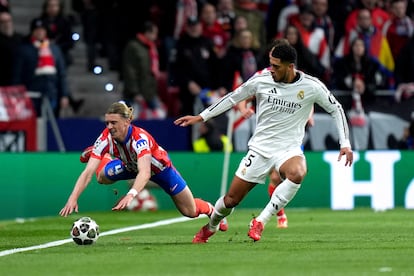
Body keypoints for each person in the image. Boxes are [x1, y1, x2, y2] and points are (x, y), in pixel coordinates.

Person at [174, 40, 353, 243]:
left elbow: (336, 109)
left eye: (276, 66)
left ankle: (260, 221)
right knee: (231, 200)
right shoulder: (262, 79)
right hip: (260, 149)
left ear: (290, 66)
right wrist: (202, 116)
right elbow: (234, 97)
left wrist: (344, 143)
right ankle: (211, 225)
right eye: (270, 63)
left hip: (288, 149)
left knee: (298, 172)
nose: (271, 69)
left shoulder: (311, 86)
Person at [59, 101, 228, 233]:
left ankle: (210, 208)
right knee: (101, 177)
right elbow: (87, 172)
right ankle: (102, 154)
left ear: (127, 121)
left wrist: (131, 195)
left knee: (190, 212)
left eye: (113, 122)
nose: (109, 127)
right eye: (107, 123)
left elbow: (145, 172)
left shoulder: (140, 139)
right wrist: (73, 198)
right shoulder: (105, 137)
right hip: (129, 166)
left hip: (161, 170)